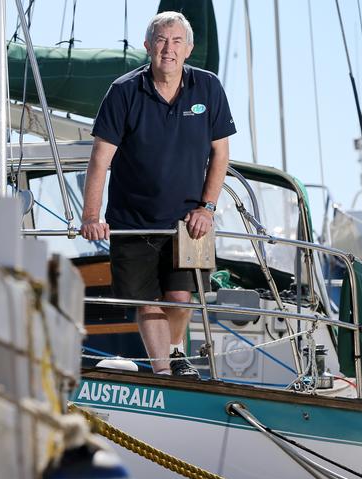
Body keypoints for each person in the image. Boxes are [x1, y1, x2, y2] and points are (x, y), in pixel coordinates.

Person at [80, 11, 236, 377]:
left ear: (189, 49)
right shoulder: (123, 92)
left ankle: (177, 353)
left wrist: (207, 208)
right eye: (162, 41)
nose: (169, 49)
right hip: (131, 221)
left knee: (181, 299)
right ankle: (165, 372)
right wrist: (91, 216)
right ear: (148, 46)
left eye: (176, 41)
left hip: (188, 221)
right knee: (145, 301)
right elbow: (100, 159)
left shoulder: (208, 88)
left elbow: (221, 154)